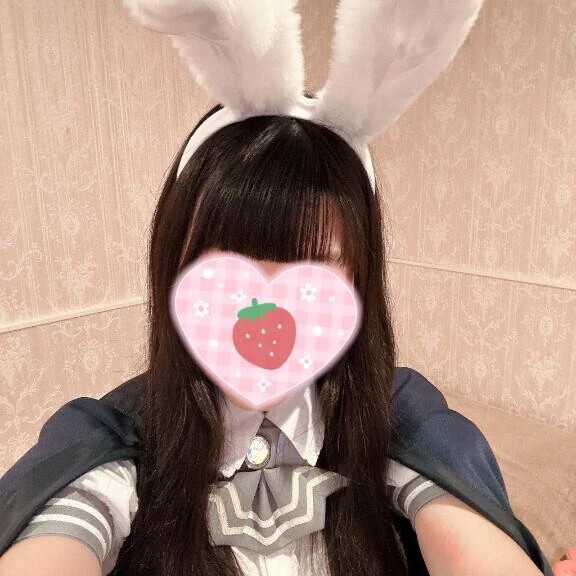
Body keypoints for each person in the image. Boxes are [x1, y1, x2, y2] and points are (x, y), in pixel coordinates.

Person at [0, 1, 553, 574]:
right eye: (226, 263)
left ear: (360, 279)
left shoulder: (396, 414)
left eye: (316, 269)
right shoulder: (115, 436)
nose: (269, 308)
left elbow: (467, 536)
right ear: (174, 266)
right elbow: (62, 533)